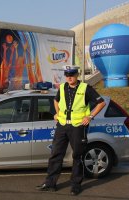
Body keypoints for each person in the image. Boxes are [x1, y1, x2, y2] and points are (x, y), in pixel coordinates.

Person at [36, 65, 106, 196]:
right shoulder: (62, 87)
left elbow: (101, 103)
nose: (69, 77)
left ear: (77, 75)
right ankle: (50, 183)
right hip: (62, 126)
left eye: (72, 74)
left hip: (77, 127)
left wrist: (90, 116)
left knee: (77, 156)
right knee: (55, 154)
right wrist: (57, 114)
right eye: (67, 74)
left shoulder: (86, 88)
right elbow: (56, 101)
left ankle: (75, 185)